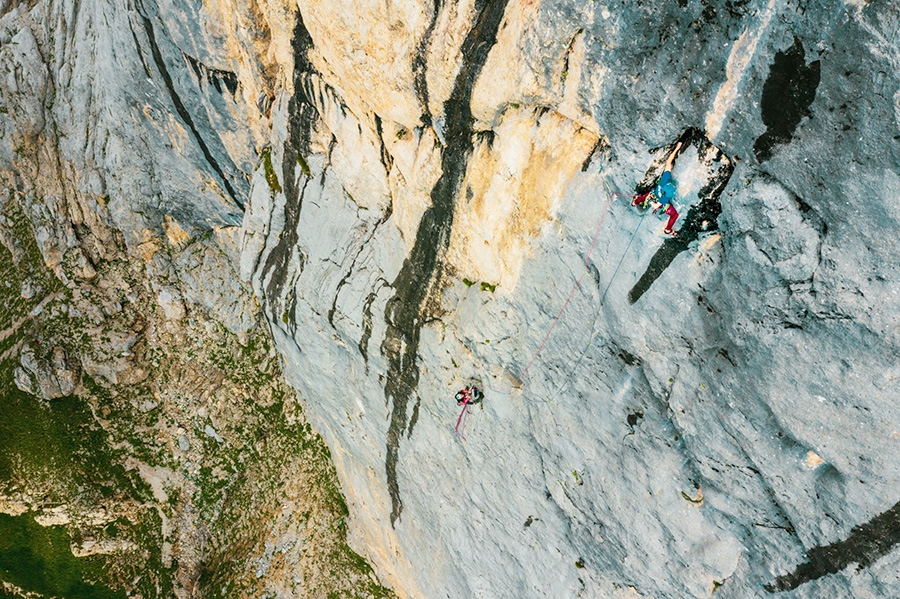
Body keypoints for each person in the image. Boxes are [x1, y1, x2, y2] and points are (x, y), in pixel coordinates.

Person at [632, 142, 683, 236]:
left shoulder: (665, 180)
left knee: (647, 195)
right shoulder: (665, 198)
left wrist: (677, 148)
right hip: (658, 201)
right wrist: (652, 202)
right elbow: (655, 206)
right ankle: (668, 230)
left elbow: (668, 162)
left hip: (653, 193)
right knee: (674, 215)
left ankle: (635, 202)